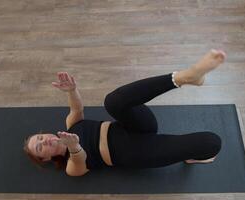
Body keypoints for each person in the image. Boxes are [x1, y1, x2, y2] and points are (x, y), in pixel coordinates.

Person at [23, 49, 226, 177]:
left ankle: (184, 77)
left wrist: (71, 90)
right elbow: (79, 158)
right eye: (40, 148)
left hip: (134, 126)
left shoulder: (71, 124)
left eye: (40, 137)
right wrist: (74, 146)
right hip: (135, 152)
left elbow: (77, 108)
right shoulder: (70, 167)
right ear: (46, 159)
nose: (44, 141)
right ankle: (193, 156)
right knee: (211, 143)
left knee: (112, 102)